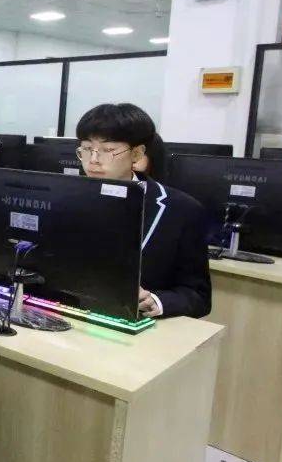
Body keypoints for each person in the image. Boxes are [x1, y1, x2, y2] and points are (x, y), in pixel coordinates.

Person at [76, 103, 211, 319]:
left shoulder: (182, 210)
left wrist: (156, 301)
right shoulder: (66, 198)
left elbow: (198, 296)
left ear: (137, 153)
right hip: (68, 315)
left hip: (137, 326)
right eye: (86, 149)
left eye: (108, 150)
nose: (93, 160)